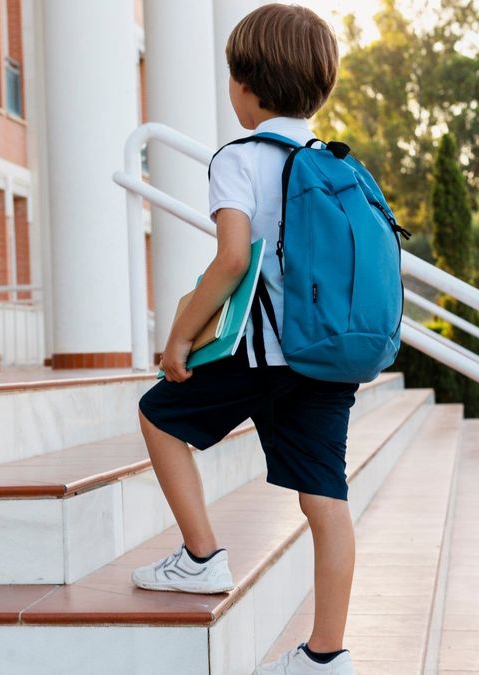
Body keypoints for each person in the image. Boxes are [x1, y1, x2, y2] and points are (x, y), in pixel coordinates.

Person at [131, 4, 359, 674]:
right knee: (326, 499)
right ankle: (326, 657)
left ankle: (201, 556)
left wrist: (177, 338)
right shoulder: (335, 162)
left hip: (262, 354)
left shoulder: (240, 159)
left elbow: (231, 260)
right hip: (327, 356)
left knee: (156, 413)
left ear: (245, 85)